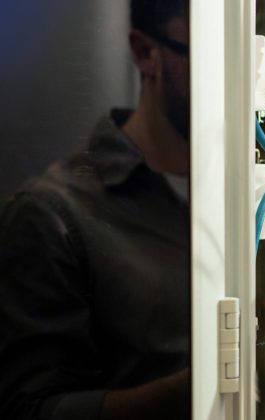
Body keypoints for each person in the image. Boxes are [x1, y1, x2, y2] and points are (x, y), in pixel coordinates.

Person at [0, 1, 191, 418]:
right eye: (212, 59)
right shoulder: (53, 214)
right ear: (145, 53)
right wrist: (200, 388)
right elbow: (29, 408)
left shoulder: (262, 193)